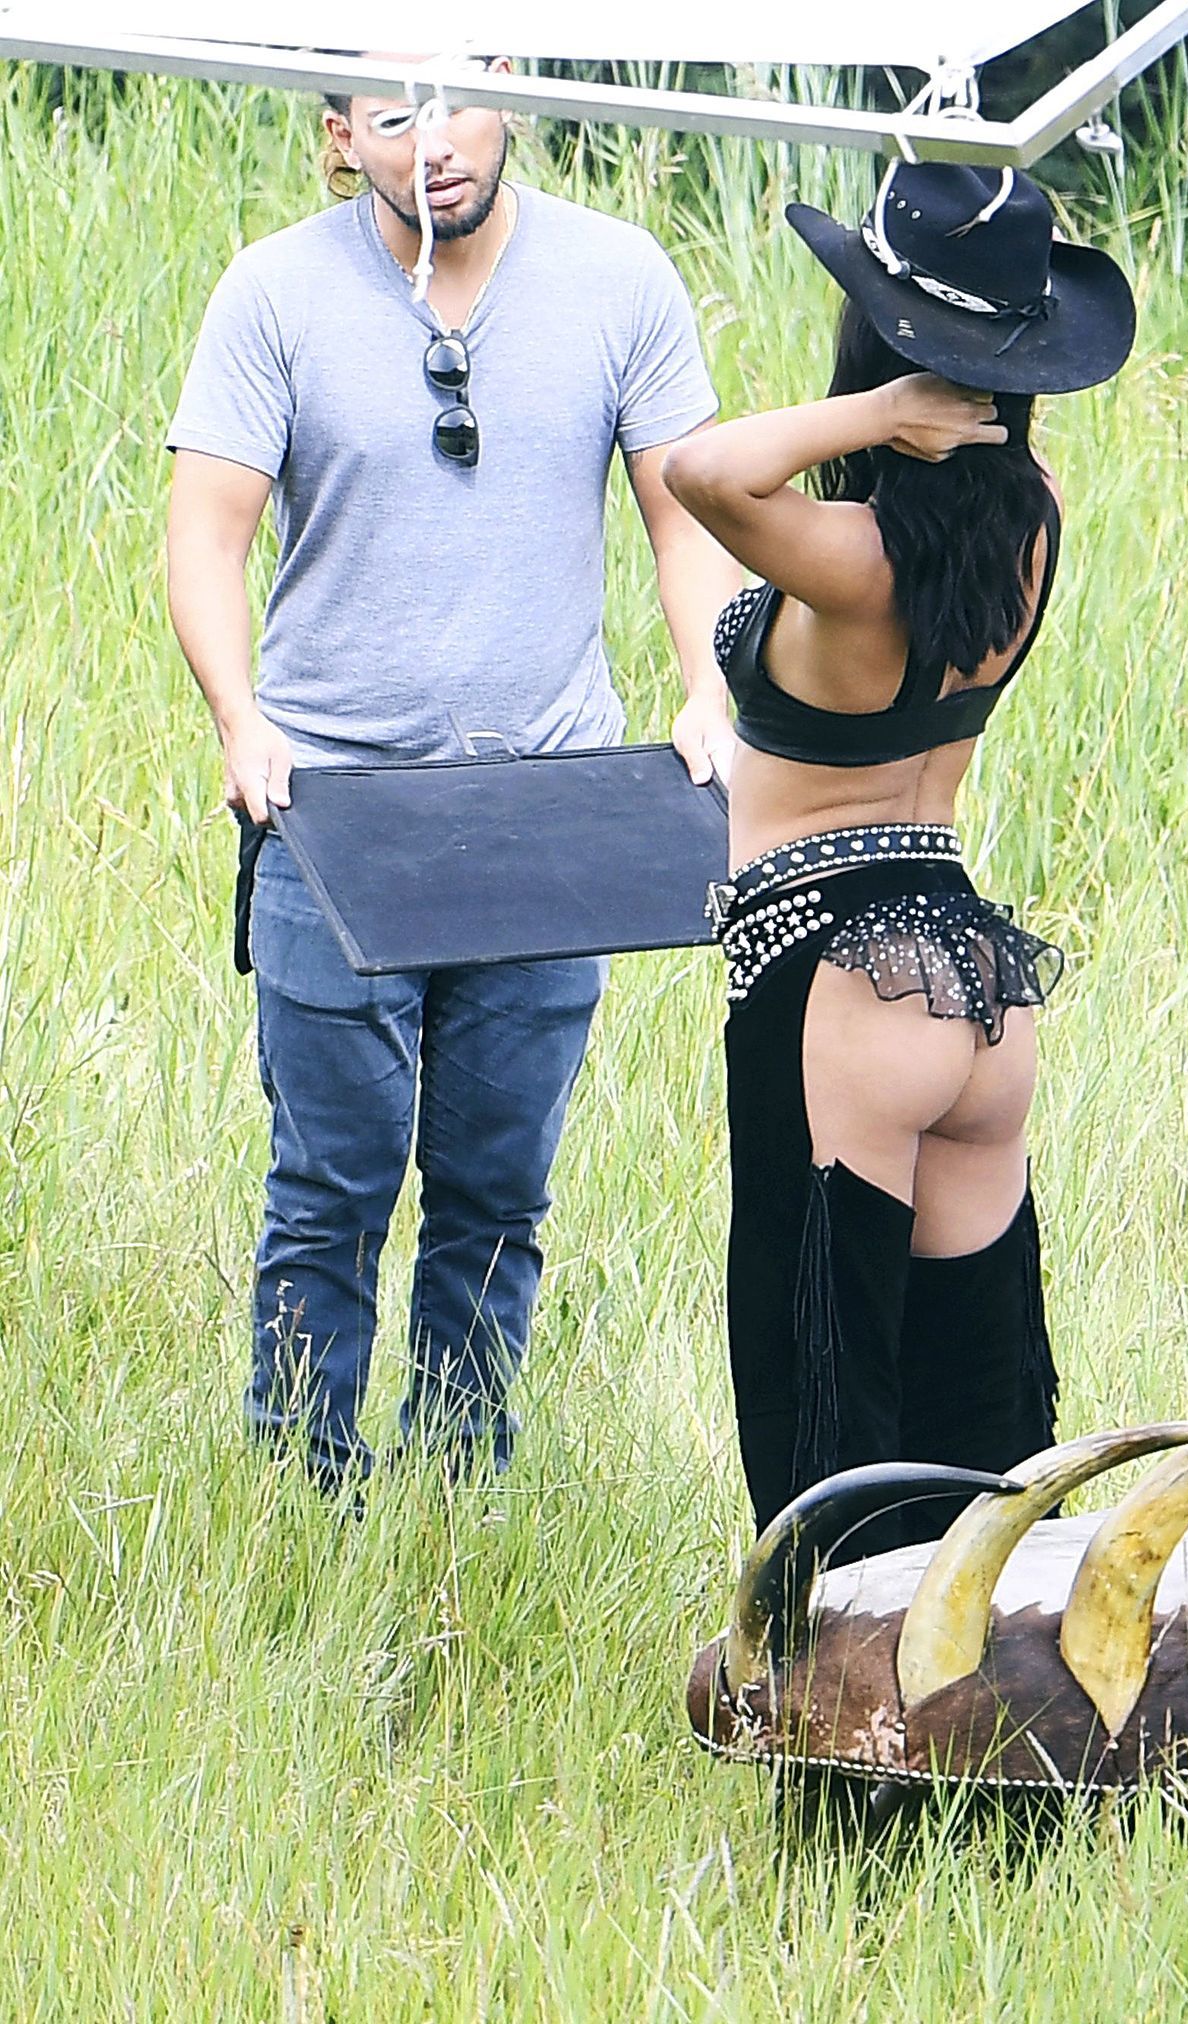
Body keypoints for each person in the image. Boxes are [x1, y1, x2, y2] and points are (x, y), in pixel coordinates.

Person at [165, 56, 740, 1493]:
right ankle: (303, 1492)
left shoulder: (618, 279)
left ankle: (459, 1489)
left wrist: (711, 687)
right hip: (334, 810)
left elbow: (686, 514)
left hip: (546, 809)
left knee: (496, 1192)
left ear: (510, 99)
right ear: (340, 132)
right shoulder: (275, 292)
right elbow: (205, 533)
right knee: (330, 1186)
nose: (435, 144)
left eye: (461, 101)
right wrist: (240, 719)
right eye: (394, 115)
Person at [663, 162, 1133, 1553]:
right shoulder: (1030, 520)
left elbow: (701, 471)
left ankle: (837, 1690)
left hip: (836, 973)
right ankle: (1004, 1659)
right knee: (980, 1395)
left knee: (824, 1384)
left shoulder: (855, 559)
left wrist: (878, 412)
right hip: (972, 975)